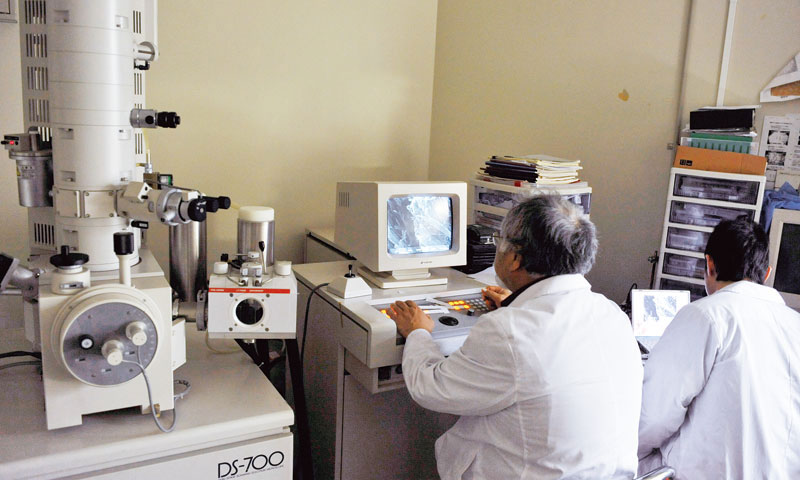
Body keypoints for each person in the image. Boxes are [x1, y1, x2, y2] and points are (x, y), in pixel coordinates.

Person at [388, 195, 643, 479]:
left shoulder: (510, 331)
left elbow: (431, 387)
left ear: (514, 259)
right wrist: (519, 304)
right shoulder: (611, 314)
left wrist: (418, 331)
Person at [638, 217, 800, 478]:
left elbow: (653, 416)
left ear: (709, 264)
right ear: (767, 274)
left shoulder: (706, 316)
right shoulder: (795, 325)